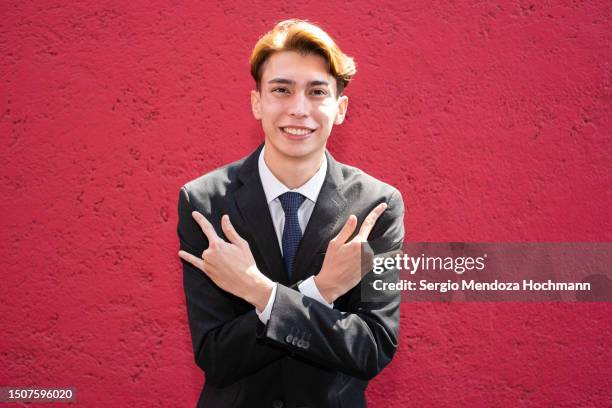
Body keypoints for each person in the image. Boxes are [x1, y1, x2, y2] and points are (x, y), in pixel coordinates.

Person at [177, 19, 405, 408]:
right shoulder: (204, 202)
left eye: (317, 92)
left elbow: (371, 348)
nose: (299, 109)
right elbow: (215, 356)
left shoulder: (377, 207)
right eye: (281, 90)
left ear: (340, 108)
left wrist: (259, 292)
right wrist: (321, 292)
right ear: (257, 102)